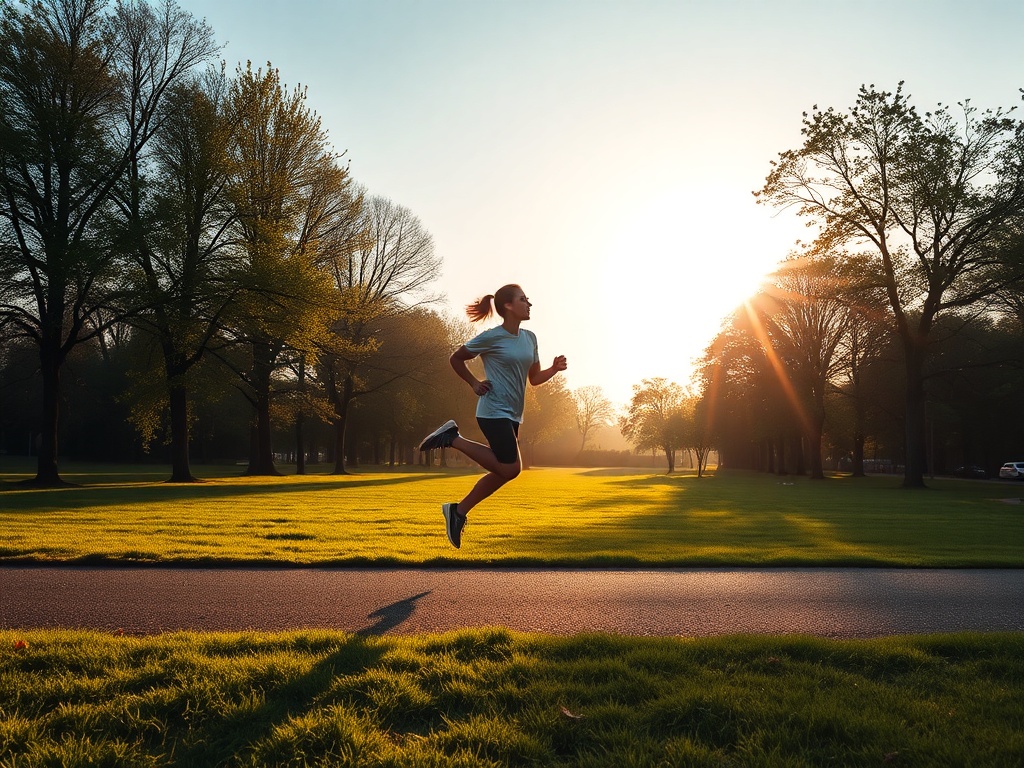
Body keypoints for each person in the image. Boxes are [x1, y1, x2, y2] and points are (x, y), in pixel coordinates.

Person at [418, 284, 567, 548]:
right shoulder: (491, 337)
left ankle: (458, 512)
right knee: (511, 469)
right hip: (492, 410)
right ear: (508, 306)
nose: (529, 304)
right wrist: (474, 383)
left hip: (512, 415)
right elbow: (456, 358)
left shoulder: (530, 338)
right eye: (523, 299)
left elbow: (534, 379)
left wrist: (553, 369)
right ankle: (452, 438)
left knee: (504, 473)